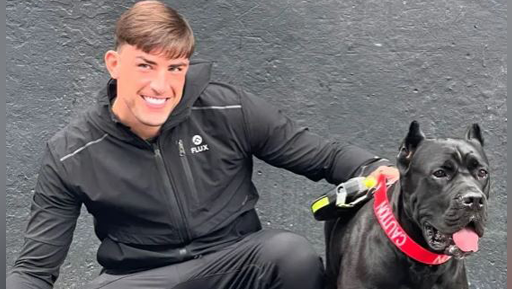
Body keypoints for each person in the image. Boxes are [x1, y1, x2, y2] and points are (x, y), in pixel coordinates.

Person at [6, 1, 399, 288]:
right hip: (142, 275)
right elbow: (34, 270)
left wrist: (375, 167)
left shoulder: (227, 108)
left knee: (292, 255)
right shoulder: (71, 152)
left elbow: (325, 156)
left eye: (175, 68)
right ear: (114, 63)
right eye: (145, 65)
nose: (161, 86)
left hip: (239, 259)